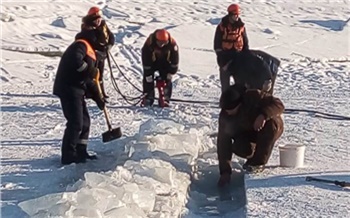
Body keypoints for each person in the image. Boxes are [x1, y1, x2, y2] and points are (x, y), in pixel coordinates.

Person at [53, 29, 106, 165]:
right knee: (76, 122)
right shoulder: (81, 45)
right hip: (68, 88)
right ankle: (69, 155)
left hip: (78, 89)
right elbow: (76, 62)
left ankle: (81, 151)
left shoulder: (91, 53)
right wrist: (89, 69)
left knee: (85, 122)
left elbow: (89, 79)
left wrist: (97, 96)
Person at [216, 84, 284, 187]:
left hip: (266, 128)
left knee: (271, 125)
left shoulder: (254, 96)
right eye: (225, 110)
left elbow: (279, 105)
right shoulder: (225, 116)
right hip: (247, 132)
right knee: (241, 148)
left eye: (230, 110)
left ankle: (258, 163)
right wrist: (225, 171)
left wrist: (263, 115)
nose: (227, 112)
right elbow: (223, 142)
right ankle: (252, 154)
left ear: (238, 105)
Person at [79, 6, 115, 99]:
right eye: (96, 20)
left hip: (102, 54)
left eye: (99, 19)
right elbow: (89, 42)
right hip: (92, 55)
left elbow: (111, 36)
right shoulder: (87, 29)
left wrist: (109, 46)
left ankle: (101, 92)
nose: (98, 21)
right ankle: (90, 92)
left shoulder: (103, 25)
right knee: (91, 74)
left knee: (100, 74)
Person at [214, 3, 249, 93]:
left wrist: (246, 55)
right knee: (225, 85)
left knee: (241, 84)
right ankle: (226, 102)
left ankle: (239, 102)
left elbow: (245, 42)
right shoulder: (222, 27)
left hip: (238, 57)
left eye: (238, 14)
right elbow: (217, 44)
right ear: (230, 14)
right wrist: (221, 58)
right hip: (226, 58)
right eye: (235, 14)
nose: (237, 16)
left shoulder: (241, 27)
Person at [141, 29, 179, 107]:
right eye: (160, 43)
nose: (161, 45)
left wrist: (171, 72)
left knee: (167, 79)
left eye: (164, 43)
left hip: (165, 63)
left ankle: (166, 98)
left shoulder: (172, 44)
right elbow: (145, 58)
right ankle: (148, 97)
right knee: (148, 79)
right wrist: (148, 73)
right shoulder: (149, 43)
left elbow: (175, 60)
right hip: (152, 62)